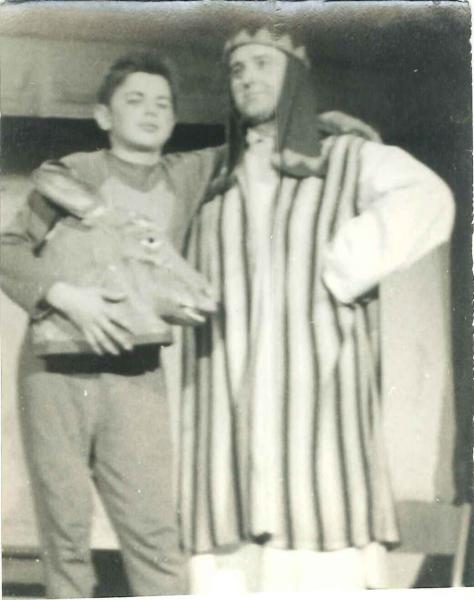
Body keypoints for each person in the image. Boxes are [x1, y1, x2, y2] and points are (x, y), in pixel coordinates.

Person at [177, 27, 456, 592]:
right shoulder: (214, 176)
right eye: (238, 69)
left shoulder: (344, 157)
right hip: (230, 400)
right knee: (233, 565)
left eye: (263, 63)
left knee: (317, 540)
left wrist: (344, 262)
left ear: (295, 76)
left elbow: (430, 198)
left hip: (318, 392)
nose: (247, 78)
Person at [0, 52, 224, 598]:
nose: (151, 111)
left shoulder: (185, 174)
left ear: (174, 118)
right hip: (56, 373)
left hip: (136, 372)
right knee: (66, 534)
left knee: (156, 537)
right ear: (104, 115)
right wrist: (67, 297)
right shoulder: (74, 173)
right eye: (135, 100)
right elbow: (8, 249)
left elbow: (257, 140)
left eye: (162, 104)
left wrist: (328, 124)